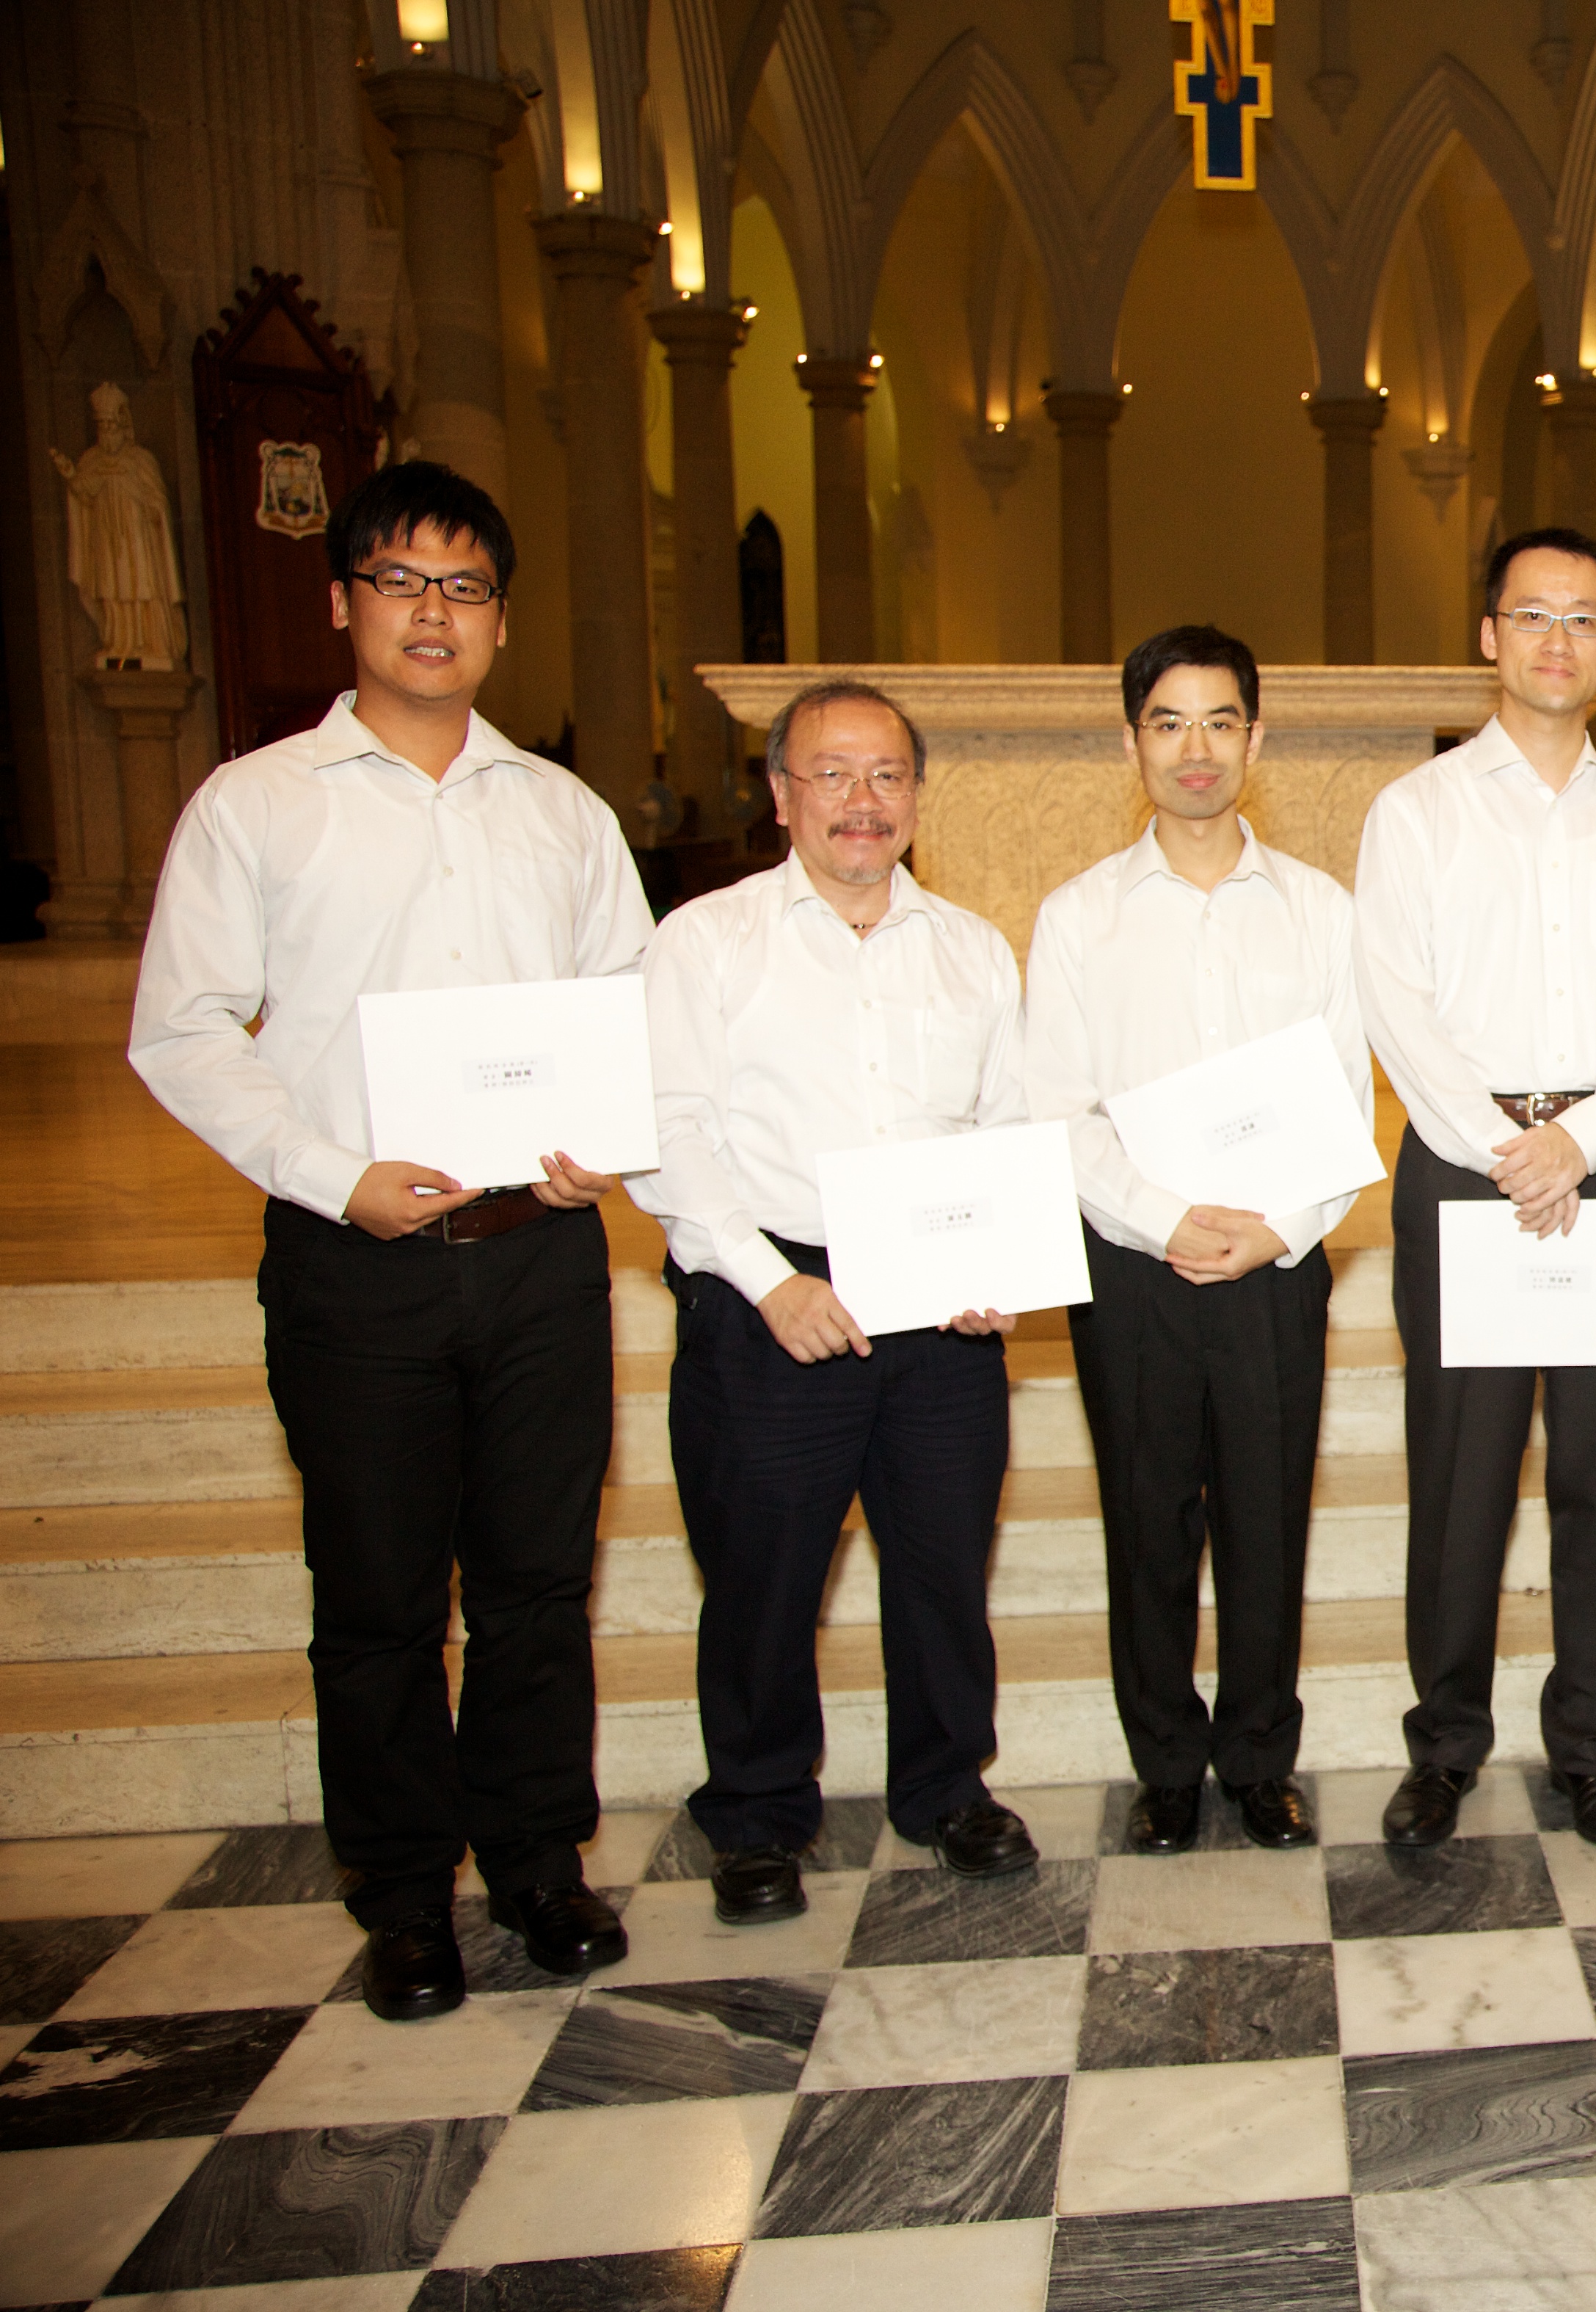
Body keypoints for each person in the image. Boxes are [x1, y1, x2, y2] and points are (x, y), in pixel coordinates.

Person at [129, 462, 648, 2020]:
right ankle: (406, 1895)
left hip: (540, 1254)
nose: (435, 613)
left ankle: (539, 1864)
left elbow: (632, 1010)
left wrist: (600, 1143)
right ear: (343, 600)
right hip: (355, 1261)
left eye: (465, 587)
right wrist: (326, 1171)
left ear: (501, 622)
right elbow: (182, 1028)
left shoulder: (562, 813)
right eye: (403, 580)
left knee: (538, 1585)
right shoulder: (256, 804)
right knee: (375, 1600)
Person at [635, 682, 1039, 1922]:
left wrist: (996, 1263)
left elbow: (1008, 1124)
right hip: (771, 1296)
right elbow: (667, 1133)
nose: (862, 801)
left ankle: (946, 1785)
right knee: (763, 1575)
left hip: (937, 1307)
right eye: (832, 774)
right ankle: (757, 1812)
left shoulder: (972, 948)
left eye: (886, 776)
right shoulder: (704, 942)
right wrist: (769, 1281)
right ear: (780, 793)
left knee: (942, 1564)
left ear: (916, 795)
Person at [1357, 528, 1596, 1850]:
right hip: (1465, 1170)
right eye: (1533, 614)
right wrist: (1508, 1146)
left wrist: (1583, 1139)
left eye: (1584, 619)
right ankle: (1444, 1747)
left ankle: (1589, 1748)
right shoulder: (1416, 811)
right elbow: (1395, 1001)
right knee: (1462, 1477)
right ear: (1489, 635)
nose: (1559, 638)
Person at [1024, 625, 1366, 1855]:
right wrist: (1164, 1218)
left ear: (1255, 738)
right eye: (1168, 723)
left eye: (1220, 721)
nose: (1196, 748)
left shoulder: (1320, 910)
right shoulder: (1079, 918)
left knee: (1267, 1521)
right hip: (1135, 1267)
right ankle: (1166, 1760)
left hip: (1275, 1265)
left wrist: (1278, 1228)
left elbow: (1346, 1099)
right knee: (1148, 1519)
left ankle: (1260, 1756)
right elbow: (1058, 1109)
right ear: (1133, 744)